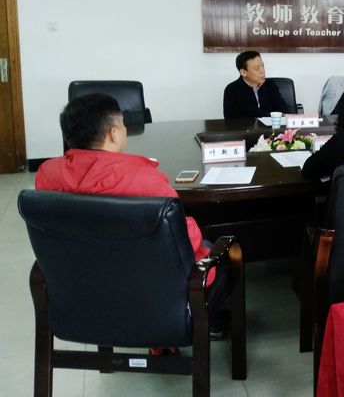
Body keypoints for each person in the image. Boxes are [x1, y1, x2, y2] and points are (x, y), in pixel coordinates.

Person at [36, 94, 225, 346]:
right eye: (123, 125)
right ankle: (204, 324)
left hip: (82, 294)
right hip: (150, 298)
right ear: (114, 134)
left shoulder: (46, 175)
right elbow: (185, 239)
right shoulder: (144, 179)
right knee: (221, 254)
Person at [223, 50, 288, 119]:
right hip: (246, 126)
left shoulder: (270, 85)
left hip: (271, 125)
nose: (263, 71)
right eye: (257, 68)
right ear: (243, 72)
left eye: (262, 66)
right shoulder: (232, 90)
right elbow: (230, 120)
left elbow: (283, 109)